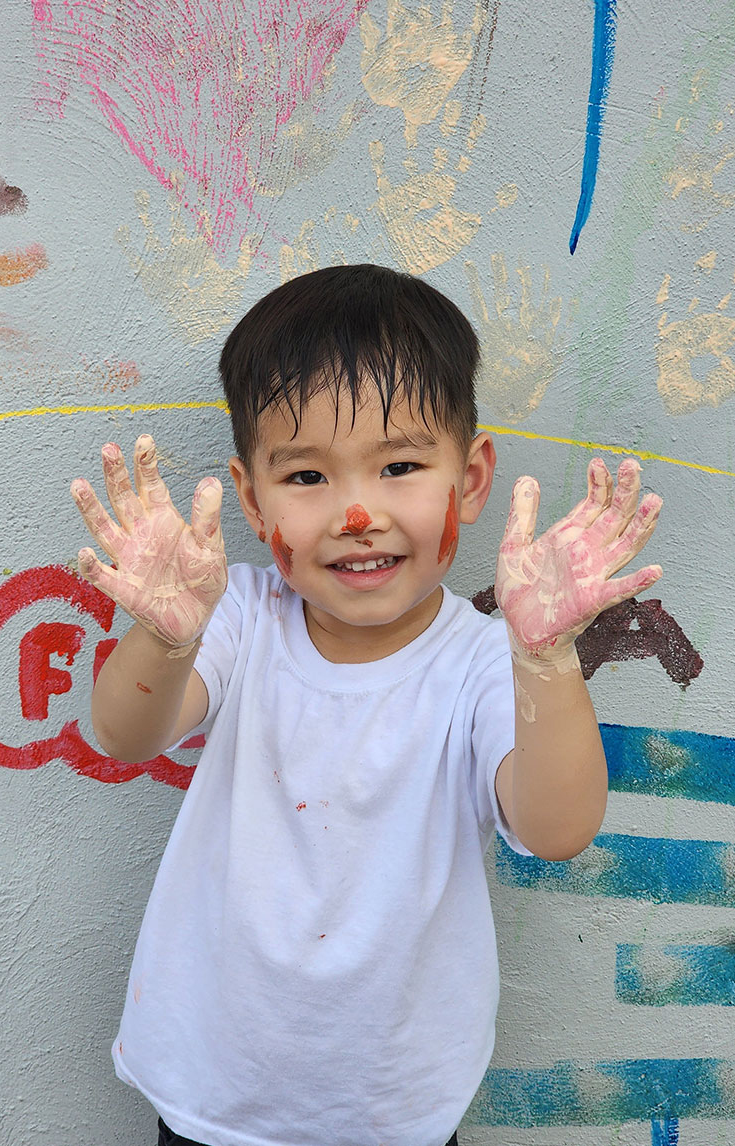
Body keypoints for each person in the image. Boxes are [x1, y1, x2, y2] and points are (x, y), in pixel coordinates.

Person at [70, 264, 663, 1146]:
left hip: (394, 1106)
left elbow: (556, 829)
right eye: (307, 477)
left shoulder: (480, 661)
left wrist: (543, 659)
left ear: (471, 479)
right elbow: (124, 735)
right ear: (251, 499)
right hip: (211, 1089)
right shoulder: (237, 615)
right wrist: (163, 636)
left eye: (399, 467)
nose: (356, 514)